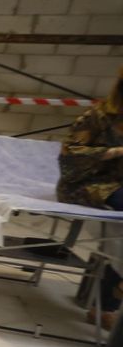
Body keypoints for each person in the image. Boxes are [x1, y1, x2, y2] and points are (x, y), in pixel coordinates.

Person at [58, 64, 123, 330]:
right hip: (88, 184)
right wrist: (117, 151)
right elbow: (69, 158)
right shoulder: (98, 116)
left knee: (119, 235)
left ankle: (106, 304)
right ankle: (107, 304)